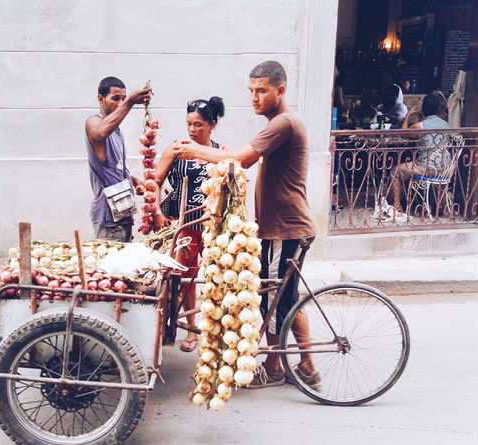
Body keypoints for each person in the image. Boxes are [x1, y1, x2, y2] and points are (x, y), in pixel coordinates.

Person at [172, 61, 320, 390]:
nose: (254, 98)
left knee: (276, 298)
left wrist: (196, 149)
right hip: (277, 226)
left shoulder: (283, 123)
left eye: (261, 91)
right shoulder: (280, 123)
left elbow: (241, 160)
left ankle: (283, 364)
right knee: (282, 294)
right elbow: (245, 159)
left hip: (287, 226)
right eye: (251, 91)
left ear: (280, 91)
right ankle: (297, 365)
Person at [153, 97, 225, 352]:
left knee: (220, 276)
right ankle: (192, 331)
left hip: (215, 226)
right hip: (185, 226)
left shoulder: (221, 151)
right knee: (185, 278)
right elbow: (155, 181)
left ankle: (219, 331)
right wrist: (159, 213)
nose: (192, 130)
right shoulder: (176, 149)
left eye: (198, 125)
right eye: (189, 124)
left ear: (212, 125)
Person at [85, 77, 152, 242]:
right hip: (109, 218)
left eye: (123, 98)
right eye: (116, 99)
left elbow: (110, 166)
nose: (120, 103)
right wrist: (129, 102)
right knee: (113, 266)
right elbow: (100, 132)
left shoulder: (116, 130)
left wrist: (130, 179)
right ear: (101, 99)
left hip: (122, 213)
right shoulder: (94, 122)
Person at [387, 92, 451, 220]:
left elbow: (403, 134)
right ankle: (437, 204)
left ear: (423, 108)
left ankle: (397, 205)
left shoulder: (420, 126)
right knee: (409, 164)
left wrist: (408, 115)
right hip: (445, 169)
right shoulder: (445, 124)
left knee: (395, 171)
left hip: (427, 169)